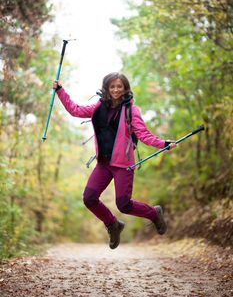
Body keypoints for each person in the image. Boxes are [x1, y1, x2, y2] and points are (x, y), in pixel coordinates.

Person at [53, 72, 176, 249]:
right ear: (107, 88)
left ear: (125, 88)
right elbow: (75, 110)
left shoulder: (131, 110)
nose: (116, 89)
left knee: (124, 205)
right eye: (112, 86)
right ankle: (113, 224)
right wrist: (60, 91)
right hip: (103, 163)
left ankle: (154, 213)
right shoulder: (98, 107)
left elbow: (143, 134)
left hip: (123, 165)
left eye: (119, 86)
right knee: (89, 198)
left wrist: (163, 144)